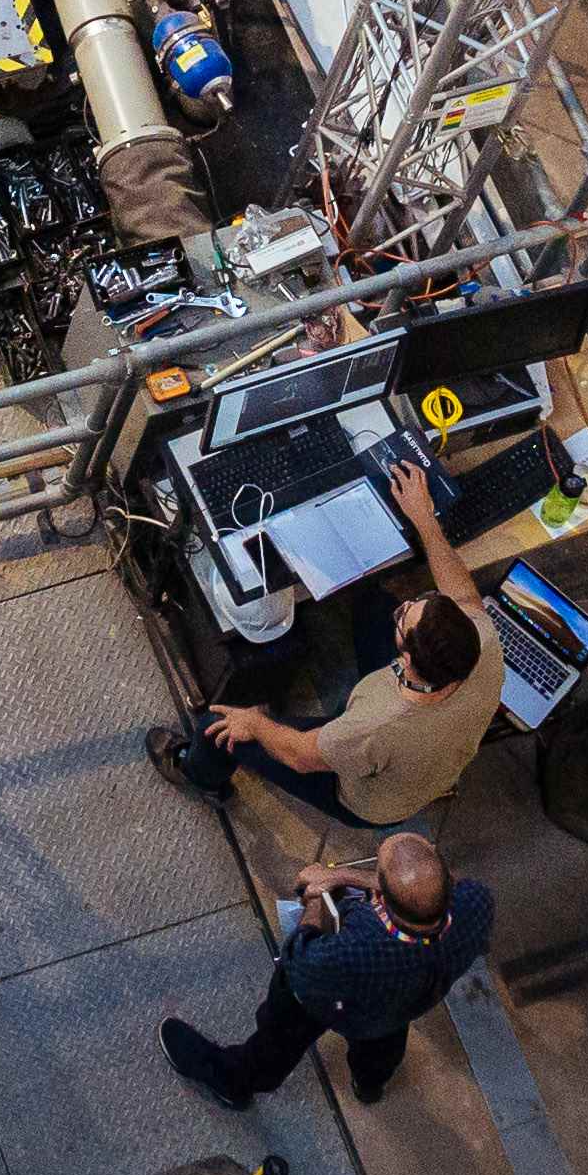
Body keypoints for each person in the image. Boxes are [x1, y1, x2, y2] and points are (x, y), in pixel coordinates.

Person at [152, 451, 500, 826]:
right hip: (416, 747)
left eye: (405, 618)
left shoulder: (376, 726)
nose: (407, 605)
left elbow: (301, 755)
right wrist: (424, 518)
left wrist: (255, 723)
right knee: (373, 602)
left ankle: (200, 776)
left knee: (216, 729)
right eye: (420, 601)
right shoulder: (483, 643)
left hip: (364, 797)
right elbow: (464, 596)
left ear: (407, 659)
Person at [165, 829, 491, 1109]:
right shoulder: (476, 903)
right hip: (402, 1004)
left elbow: (299, 958)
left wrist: (317, 898)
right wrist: (345, 877)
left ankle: (235, 1083)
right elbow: (426, 895)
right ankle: (369, 1085)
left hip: (335, 1002)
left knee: (278, 1040)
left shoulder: (350, 952)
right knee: (382, 1045)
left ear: (378, 895)